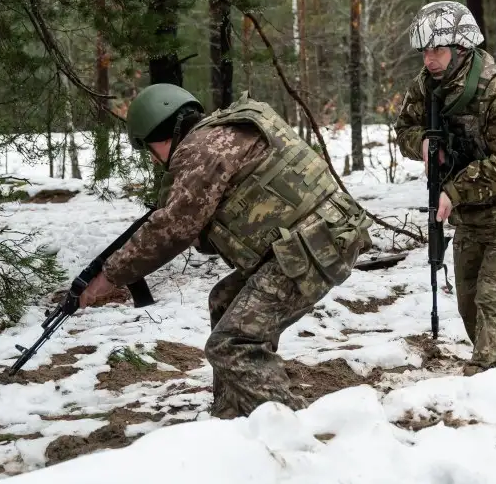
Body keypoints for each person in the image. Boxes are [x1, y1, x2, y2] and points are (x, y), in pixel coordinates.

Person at [76, 84, 373, 419]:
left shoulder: (202, 149)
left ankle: (295, 431)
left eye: (149, 148)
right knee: (224, 300)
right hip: (323, 238)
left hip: (310, 248)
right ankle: (231, 417)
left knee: (232, 344)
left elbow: (171, 229)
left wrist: (109, 276)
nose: (153, 158)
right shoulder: (224, 132)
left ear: (160, 136)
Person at [393, 1, 496, 375]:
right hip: (471, 215)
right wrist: (425, 144)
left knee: (491, 298)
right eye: (425, 51)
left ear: (461, 48)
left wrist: (454, 191)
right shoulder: (427, 85)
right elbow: (404, 130)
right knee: (469, 309)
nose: (429, 59)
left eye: (438, 50)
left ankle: (481, 388)